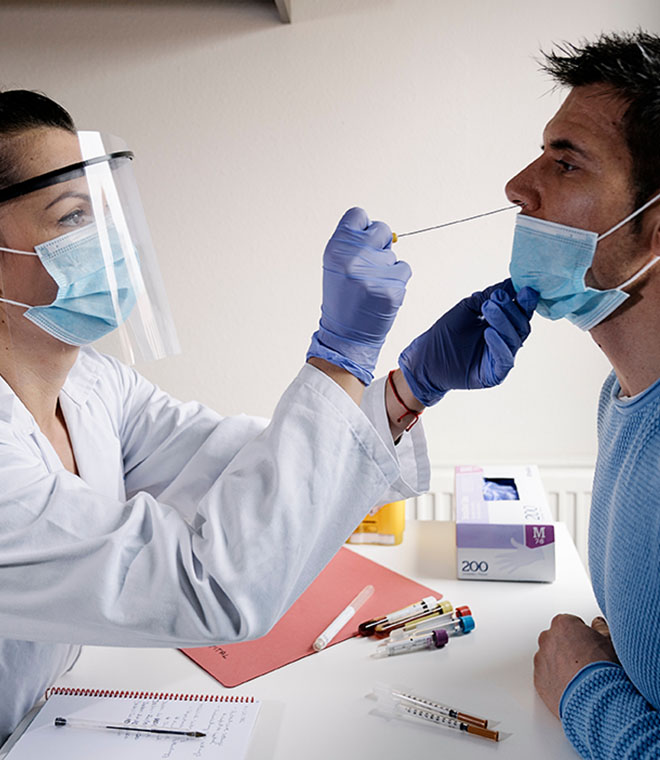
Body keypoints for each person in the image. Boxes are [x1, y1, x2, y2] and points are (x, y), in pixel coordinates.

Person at [0, 89, 536, 743]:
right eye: (72, 216)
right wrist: (339, 358)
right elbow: (209, 589)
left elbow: (252, 468)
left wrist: (406, 389)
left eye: (106, 213)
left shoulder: (95, 385)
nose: (108, 240)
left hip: (44, 723)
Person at [499, 31, 660, 759]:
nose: (519, 186)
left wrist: (583, 690)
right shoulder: (620, 398)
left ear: (654, 228)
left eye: (565, 162)